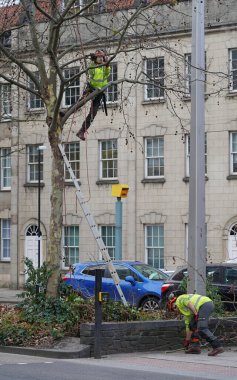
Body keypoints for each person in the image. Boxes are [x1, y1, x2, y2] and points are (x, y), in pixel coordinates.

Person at [76, 50, 111, 141]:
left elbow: (107, 74)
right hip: (91, 89)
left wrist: (106, 66)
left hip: (99, 92)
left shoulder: (104, 67)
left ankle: (82, 131)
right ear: (95, 58)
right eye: (98, 57)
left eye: (101, 57)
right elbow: (89, 71)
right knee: (80, 103)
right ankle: (65, 112)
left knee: (93, 113)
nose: (100, 59)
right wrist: (91, 61)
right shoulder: (92, 66)